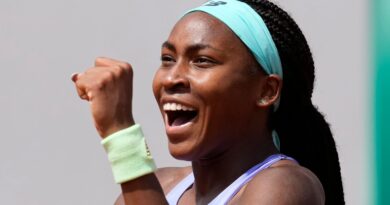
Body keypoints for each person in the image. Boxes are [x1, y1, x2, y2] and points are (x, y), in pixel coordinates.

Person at [71, 0, 344, 204]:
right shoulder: (159, 187)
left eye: (202, 60)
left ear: (266, 90)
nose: (171, 78)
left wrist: (121, 135)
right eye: (167, 59)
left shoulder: (285, 186)